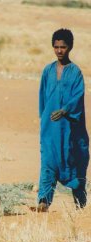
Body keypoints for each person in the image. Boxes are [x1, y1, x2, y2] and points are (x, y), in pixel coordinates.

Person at [38, 28, 89, 212]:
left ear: (70, 47)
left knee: (73, 163)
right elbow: (42, 98)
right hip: (50, 130)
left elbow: (78, 96)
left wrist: (65, 110)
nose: (59, 50)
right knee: (48, 163)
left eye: (63, 47)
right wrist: (44, 120)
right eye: (56, 47)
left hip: (70, 131)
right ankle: (43, 203)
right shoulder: (47, 71)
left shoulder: (75, 73)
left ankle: (80, 205)